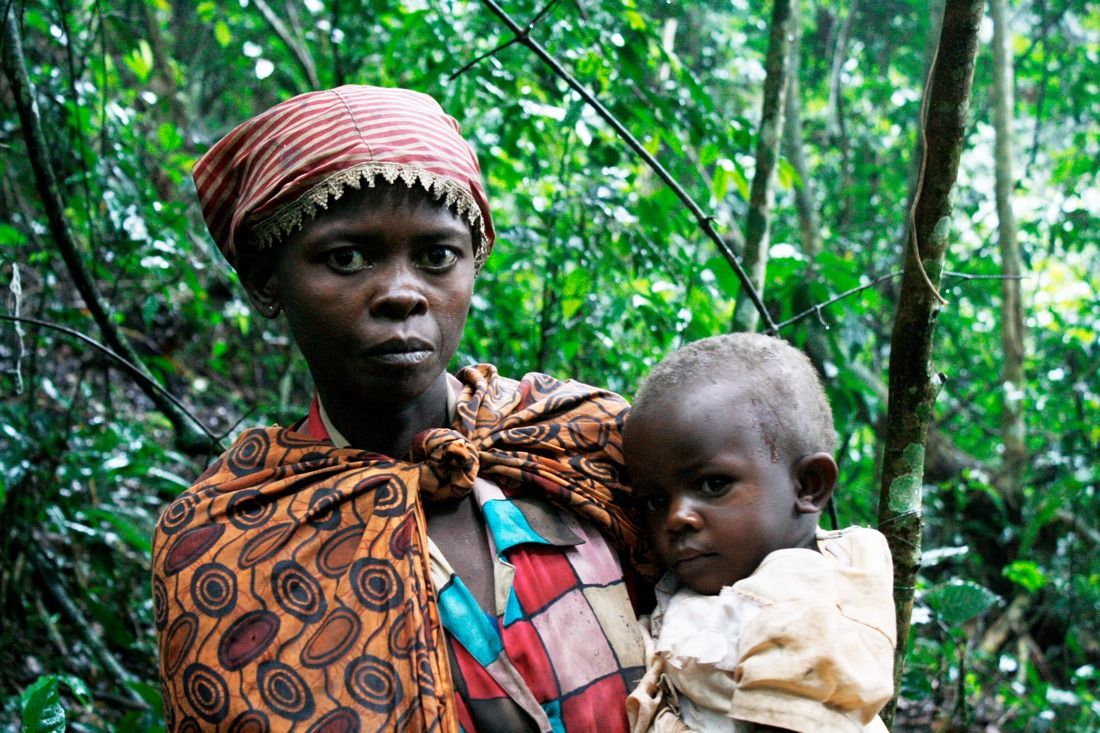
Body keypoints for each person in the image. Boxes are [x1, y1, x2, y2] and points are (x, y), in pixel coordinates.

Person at [152, 85, 655, 733]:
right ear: (266, 281)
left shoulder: (582, 440)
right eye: (347, 257)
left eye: (437, 256)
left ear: (475, 262)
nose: (400, 294)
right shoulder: (224, 545)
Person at [622, 333, 896, 733]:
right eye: (654, 502)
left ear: (808, 486)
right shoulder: (727, 586)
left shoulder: (804, 597)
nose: (676, 517)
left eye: (713, 485)